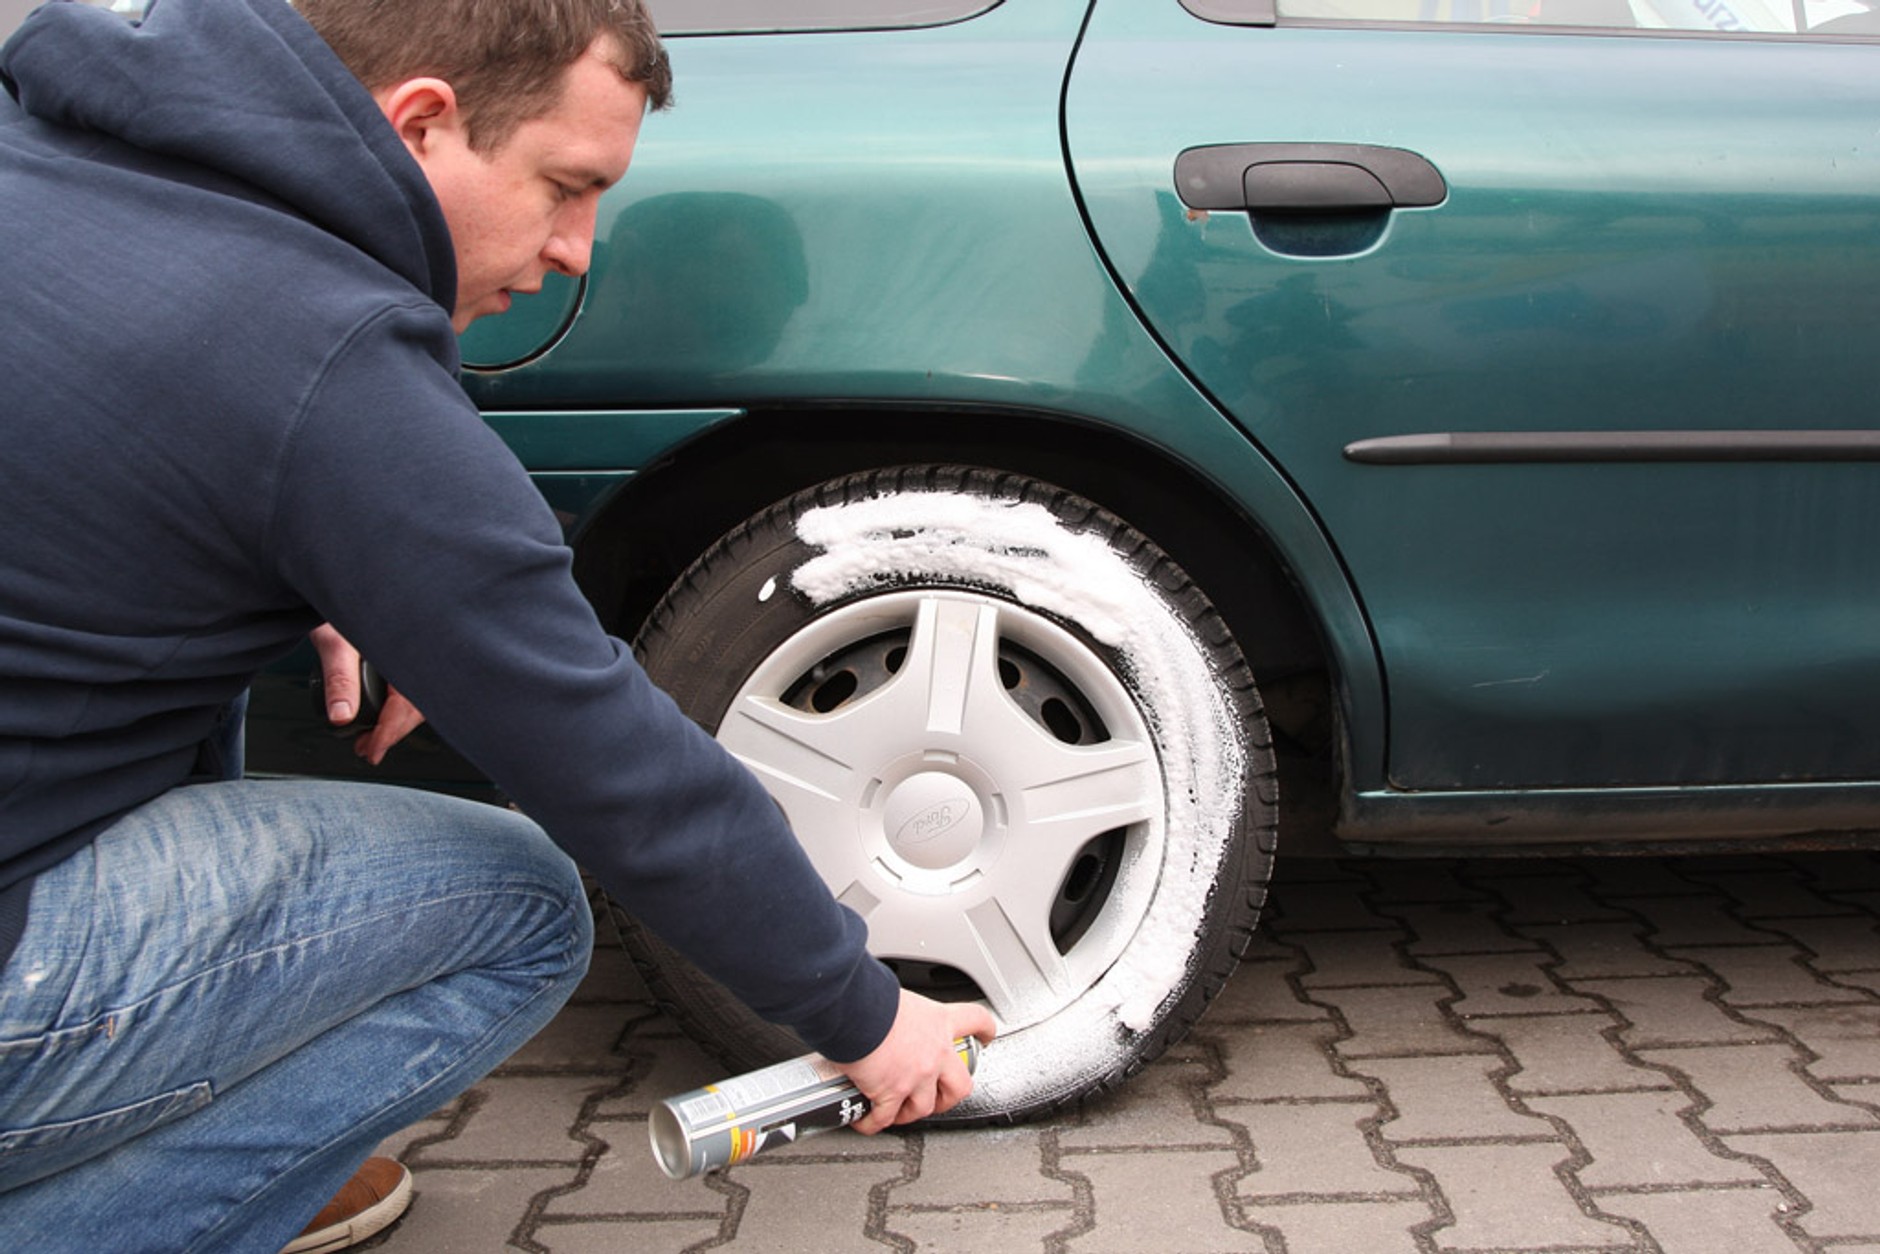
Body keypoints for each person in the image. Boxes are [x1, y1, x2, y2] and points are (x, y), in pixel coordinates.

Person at [0, 0, 996, 1248]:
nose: (577, 249)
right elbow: (615, 766)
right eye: (564, 187)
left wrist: (312, 571)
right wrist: (863, 1012)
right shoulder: (322, 359)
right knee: (523, 901)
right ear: (422, 124)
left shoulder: (42, 154)